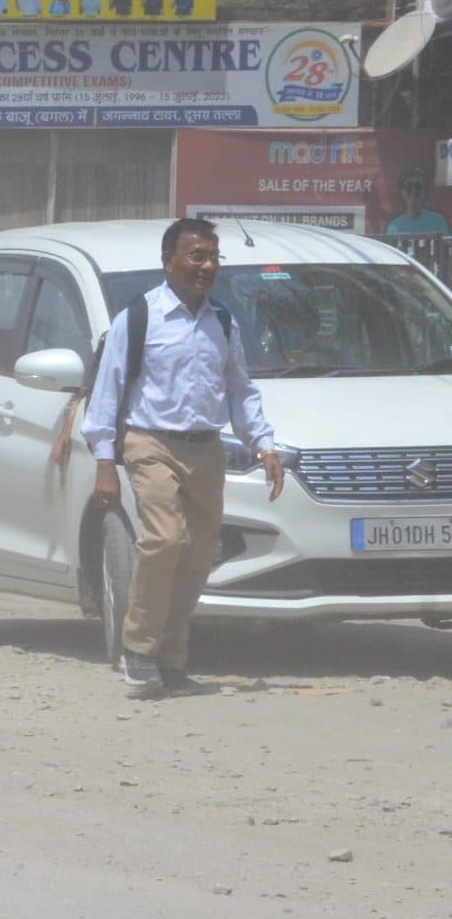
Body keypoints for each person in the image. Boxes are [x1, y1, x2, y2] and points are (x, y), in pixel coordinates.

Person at [82, 217, 283, 700]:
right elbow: (106, 394)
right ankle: (138, 647)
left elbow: (240, 390)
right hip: (150, 443)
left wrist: (265, 444)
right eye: (197, 256)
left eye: (213, 257)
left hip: (206, 450)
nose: (207, 266)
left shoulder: (223, 321)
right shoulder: (139, 318)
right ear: (168, 261)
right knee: (166, 538)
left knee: (197, 555)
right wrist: (105, 463)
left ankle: (169, 660)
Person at [386, 166, 450, 236]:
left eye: (418, 186)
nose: (414, 191)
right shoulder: (393, 227)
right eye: (409, 187)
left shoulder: (438, 220)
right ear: (401, 191)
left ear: (425, 190)